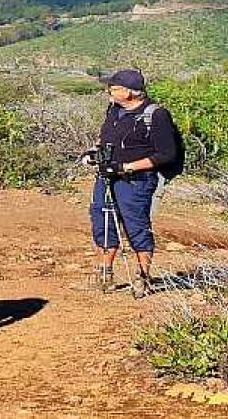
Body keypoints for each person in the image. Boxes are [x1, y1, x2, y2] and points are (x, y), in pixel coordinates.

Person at [84, 69, 179, 297]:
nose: (110, 91)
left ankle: (142, 278)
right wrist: (95, 154)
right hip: (107, 177)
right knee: (103, 222)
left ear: (130, 92)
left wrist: (126, 167)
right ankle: (104, 274)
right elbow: (106, 139)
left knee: (136, 226)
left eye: (115, 88)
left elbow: (166, 154)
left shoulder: (156, 115)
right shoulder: (114, 110)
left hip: (136, 181)